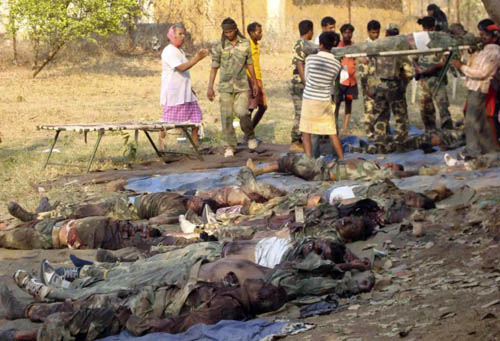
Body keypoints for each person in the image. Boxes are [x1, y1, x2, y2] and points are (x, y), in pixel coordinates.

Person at [208, 18, 259, 158]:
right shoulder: (219, 46)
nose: (228, 34)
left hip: (242, 86)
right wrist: (210, 87)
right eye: (226, 32)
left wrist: (254, 83)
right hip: (225, 87)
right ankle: (230, 146)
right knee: (226, 117)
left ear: (235, 29)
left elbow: (250, 64)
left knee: (243, 112)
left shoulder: (245, 44)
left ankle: (250, 136)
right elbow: (214, 67)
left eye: (230, 31)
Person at [450, 20, 500, 157]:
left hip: (479, 90)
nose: (481, 36)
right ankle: (489, 149)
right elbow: (473, 68)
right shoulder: (485, 50)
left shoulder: (495, 53)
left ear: (494, 37)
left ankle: (474, 152)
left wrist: (461, 66)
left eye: (484, 34)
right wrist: (466, 60)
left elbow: (482, 74)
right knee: (480, 122)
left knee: (471, 123)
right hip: (473, 88)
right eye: (481, 34)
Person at [160, 24, 209, 146]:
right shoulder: (169, 51)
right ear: (172, 36)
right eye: (180, 34)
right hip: (174, 94)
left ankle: (195, 144)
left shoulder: (179, 51)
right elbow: (181, 68)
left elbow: (184, 72)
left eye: (183, 34)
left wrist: (190, 88)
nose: (182, 37)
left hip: (185, 92)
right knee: (168, 122)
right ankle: (161, 144)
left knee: (196, 117)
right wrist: (198, 57)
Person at [300, 31, 344, 160]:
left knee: (306, 131)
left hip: (309, 99)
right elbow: (332, 82)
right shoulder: (337, 64)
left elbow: (307, 78)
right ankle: (342, 160)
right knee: (332, 132)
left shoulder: (310, 58)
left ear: (320, 44)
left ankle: (309, 160)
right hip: (325, 100)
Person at [371, 23, 411, 150]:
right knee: (400, 116)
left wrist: (372, 86)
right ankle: (400, 143)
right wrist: (403, 84)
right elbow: (409, 71)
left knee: (380, 116)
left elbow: (372, 69)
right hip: (394, 84)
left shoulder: (378, 46)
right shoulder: (399, 49)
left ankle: (380, 143)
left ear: (386, 33)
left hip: (380, 84)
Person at [246, 154, 415, 182]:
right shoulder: (373, 165)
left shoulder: (378, 172)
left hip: (324, 171)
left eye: (393, 167)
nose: (389, 164)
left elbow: (398, 174)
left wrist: (423, 171)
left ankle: (257, 171)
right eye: (391, 163)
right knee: (291, 164)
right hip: (325, 167)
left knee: (291, 161)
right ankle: (259, 170)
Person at [414, 16, 453, 131]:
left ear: (433, 28)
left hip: (437, 79)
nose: (427, 32)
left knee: (443, 108)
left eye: (429, 29)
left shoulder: (441, 40)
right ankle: (431, 134)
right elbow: (413, 58)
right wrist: (418, 69)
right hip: (423, 80)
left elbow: (447, 60)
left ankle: (448, 133)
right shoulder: (419, 40)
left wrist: (432, 68)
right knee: (426, 109)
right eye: (425, 29)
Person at [290, 20, 316, 153]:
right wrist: (305, 82)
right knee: (300, 113)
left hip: (301, 81)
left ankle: (301, 140)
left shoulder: (302, 44)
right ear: (310, 31)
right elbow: (300, 64)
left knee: (304, 112)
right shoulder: (302, 45)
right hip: (299, 83)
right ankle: (295, 141)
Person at [357, 20, 381, 139]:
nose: (375, 35)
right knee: (369, 109)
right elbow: (362, 71)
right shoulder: (364, 47)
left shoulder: (381, 44)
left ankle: (380, 132)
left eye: (377, 32)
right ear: (368, 32)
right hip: (369, 84)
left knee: (380, 109)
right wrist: (366, 87)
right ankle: (370, 134)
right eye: (373, 33)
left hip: (380, 82)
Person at [335, 24, 358, 135]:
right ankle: (334, 126)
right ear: (342, 33)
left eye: (350, 32)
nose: (348, 35)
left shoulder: (354, 46)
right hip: (341, 82)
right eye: (345, 32)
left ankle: (345, 127)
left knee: (349, 102)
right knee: (337, 103)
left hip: (351, 83)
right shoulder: (338, 46)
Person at [246, 22, 268, 134]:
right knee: (250, 108)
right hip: (251, 79)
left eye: (261, 32)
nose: (261, 34)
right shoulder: (247, 45)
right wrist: (252, 81)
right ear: (251, 33)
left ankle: (249, 133)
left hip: (258, 79)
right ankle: (248, 135)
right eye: (258, 32)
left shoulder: (256, 44)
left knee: (263, 106)